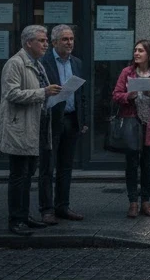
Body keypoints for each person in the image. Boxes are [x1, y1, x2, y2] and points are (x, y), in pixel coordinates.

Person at [0, 25, 62, 236]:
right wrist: (43, 92)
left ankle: (24, 216)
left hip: (36, 126)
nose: (46, 44)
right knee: (19, 175)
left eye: (46, 40)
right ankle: (16, 220)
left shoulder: (37, 64)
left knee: (29, 174)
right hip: (20, 128)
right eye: (41, 40)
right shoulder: (15, 63)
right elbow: (12, 94)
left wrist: (52, 95)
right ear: (28, 43)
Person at [113, 39, 150, 219]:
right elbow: (116, 95)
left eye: (140, 51)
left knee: (147, 164)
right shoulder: (127, 72)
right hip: (132, 123)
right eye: (135, 50)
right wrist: (128, 96)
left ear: (149, 54)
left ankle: (146, 201)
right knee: (131, 164)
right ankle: (133, 202)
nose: (136, 53)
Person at [39, 24, 89, 224]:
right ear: (54, 42)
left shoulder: (77, 62)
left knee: (66, 166)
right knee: (47, 167)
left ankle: (63, 206)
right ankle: (47, 209)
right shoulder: (43, 62)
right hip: (50, 120)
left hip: (71, 119)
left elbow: (81, 94)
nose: (69, 43)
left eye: (71, 39)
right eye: (65, 39)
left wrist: (83, 120)